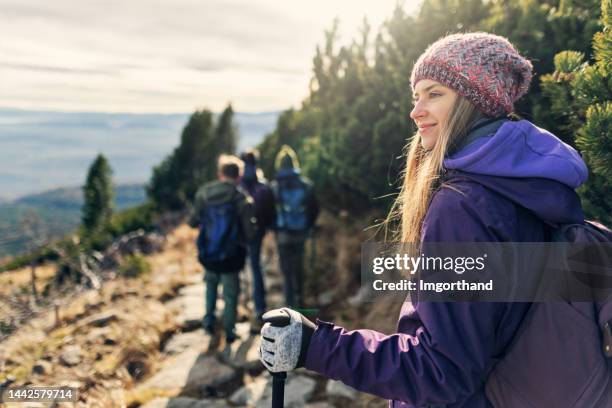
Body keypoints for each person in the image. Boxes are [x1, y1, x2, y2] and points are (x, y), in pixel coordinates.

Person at [258, 33, 609, 406]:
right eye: (416, 96)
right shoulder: (536, 185)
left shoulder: (462, 208)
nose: (416, 111)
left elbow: (443, 371)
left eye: (434, 93)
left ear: (473, 101)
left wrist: (315, 345)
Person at [190, 155, 255, 344]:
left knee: (210, 286)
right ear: (239, 176)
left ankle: (209, 321)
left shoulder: (204, 192)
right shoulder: (240, 196)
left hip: (209, 251)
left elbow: (192, 221)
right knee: (230, 294)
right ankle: (229, 331)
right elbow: (250, 233)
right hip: (232, 254)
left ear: (220, 174)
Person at [271, 145, 319, 309]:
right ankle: (300, 300)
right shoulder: (305, 185)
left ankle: (289, 304)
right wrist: (308, 226)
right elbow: (314, 209)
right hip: (301, 232)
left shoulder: (275, 186)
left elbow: (270, 211)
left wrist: (275, 228)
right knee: (299, 268)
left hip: (283, 233)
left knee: (286, 270)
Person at [239, 149, 276, 329]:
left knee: (240, 269)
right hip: (258, 232)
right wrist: (265, 228)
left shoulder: (238, 186)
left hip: (239, 234)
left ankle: (242, 306)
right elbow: (271, 213)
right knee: (255, 268)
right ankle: (259, 308)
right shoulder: (264, 186)